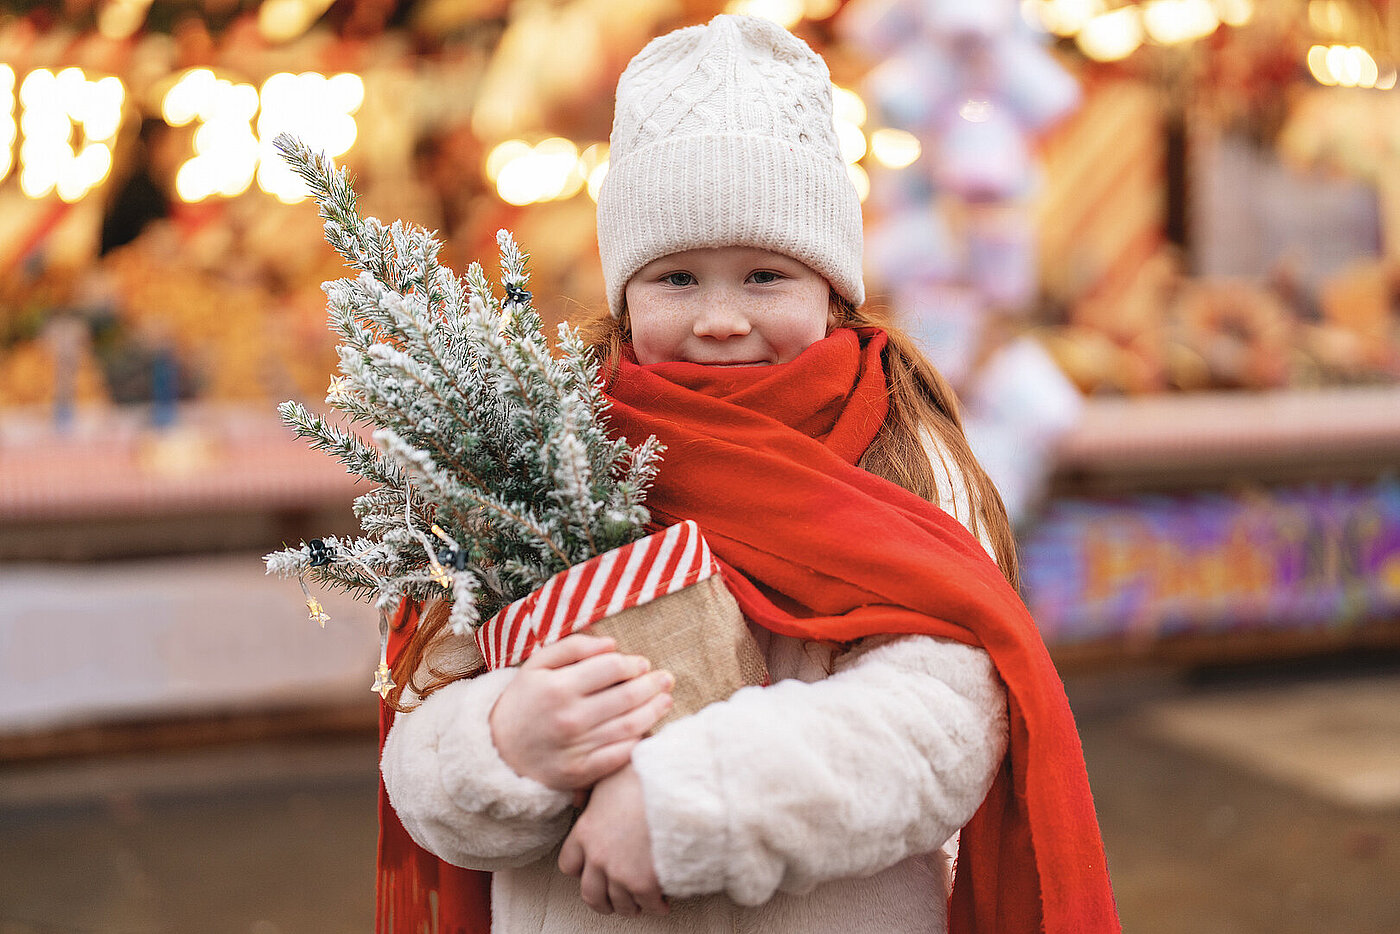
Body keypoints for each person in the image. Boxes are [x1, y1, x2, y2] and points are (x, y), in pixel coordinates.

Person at [377, 14, 1118, 934]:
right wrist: (505, 742)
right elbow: (420, 734)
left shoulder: (899, 450)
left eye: (765, 275)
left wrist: (689, 800)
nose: (721, 319)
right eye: (677, 279)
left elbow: (943, 721)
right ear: (623, 292)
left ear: (833, 290)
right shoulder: (537, 454)